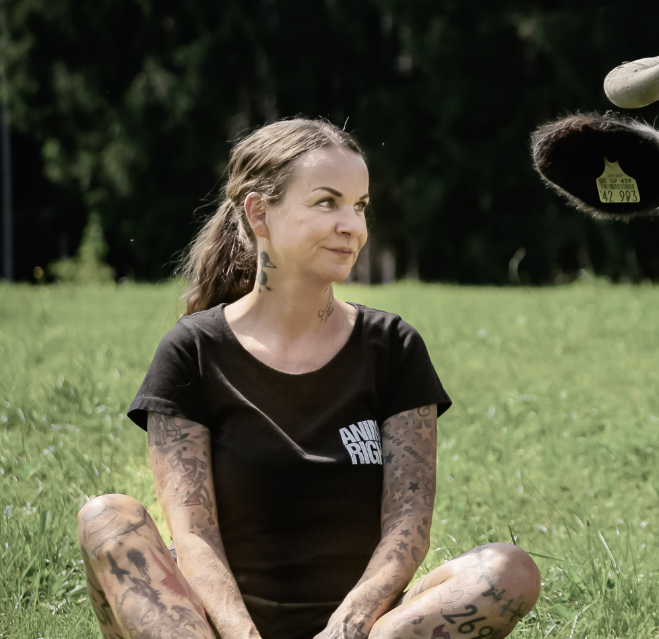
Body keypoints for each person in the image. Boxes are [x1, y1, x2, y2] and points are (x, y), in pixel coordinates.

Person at [76, 118, 541, 639]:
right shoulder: (192, 352)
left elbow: (407, 526)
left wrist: (349, 625)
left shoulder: (394, 347)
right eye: (327, 202)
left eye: (360, 206)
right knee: (106, 518)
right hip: (219, 631)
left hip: (358, 632)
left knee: (508, 571)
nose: (353, 225)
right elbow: (193, 534)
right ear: (259, 213)